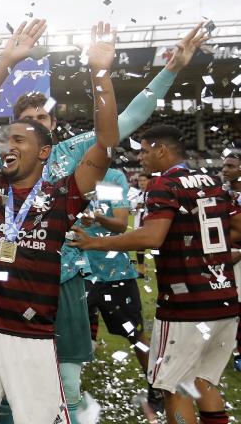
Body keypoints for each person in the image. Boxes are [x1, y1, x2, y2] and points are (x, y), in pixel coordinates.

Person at [0, 18, 119, 423]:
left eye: (19, 140)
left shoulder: (61, 197)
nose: (8, 145)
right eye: (6, 138)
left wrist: (100, 73)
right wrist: (5, 61)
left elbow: (106, 142)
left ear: (44, 153)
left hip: (31, 334)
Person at [69, 125, 240, 424]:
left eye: (145, 150)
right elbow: (237, 228)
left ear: (162, 149)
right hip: (224, 297)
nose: (141, 157)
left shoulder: (163, 183)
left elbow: (152, 237)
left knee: (173, 388)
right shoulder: (213, 181)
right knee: (204, 381)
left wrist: (95, 241)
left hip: (185, 303)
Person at [74, 169, 152, 382]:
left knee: (136, 334)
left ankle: (157, 388)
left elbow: (119, 224)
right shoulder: (63, 171)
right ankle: (65, 392)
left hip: (114, 271)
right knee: (60, 335)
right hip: (74, 270)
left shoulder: (110, 178)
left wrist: (98, 217)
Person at [221, 150, 241, 372]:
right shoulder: (222, 194)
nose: (225, 170)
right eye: (224, 166)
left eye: (231, 166)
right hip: (225, 257)